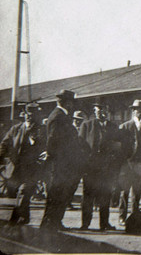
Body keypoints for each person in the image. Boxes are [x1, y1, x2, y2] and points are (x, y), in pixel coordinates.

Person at [41, 89, 82, 231]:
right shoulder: (58, 117)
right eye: (71, 102)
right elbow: (52, 141)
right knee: (55, 195)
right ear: (67, 103)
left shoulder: (60, 115)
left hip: (61, 164)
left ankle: (55, 222)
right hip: (59, 165)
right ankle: (49, 223)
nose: (72, 105)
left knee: (59, 195)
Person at [79, 102, 123, 231]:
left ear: (108, 112)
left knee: (105, 196)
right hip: (90, 168)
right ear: (94, 112)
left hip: (107, 169)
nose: (101, 113)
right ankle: (85, 224)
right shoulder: (87, 126)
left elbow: (118, 147)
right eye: (98, 111)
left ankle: (104, 223)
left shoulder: (113, 128)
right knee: (88, 196)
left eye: (103, 110)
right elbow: (80, 147)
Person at [0, 103, 47, 225]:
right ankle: (24, 218)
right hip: (15, 169)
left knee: (24, 192)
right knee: (16, 195)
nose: (28, 117)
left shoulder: (41, 130)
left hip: (31, 169)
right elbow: (4, 145)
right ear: (24, 115)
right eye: (27, 115)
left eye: (32, 115)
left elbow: (44, 148)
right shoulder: (16, 129)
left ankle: (16, 220)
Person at [118, 99, 141, 226]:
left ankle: (134, 216)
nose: (140, 112)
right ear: (133, 111)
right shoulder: (125, 126)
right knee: (124, 192)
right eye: (137, 109)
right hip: (127, 165)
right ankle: (122, 216)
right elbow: (120, 149)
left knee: (137, 192)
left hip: (140, 166)